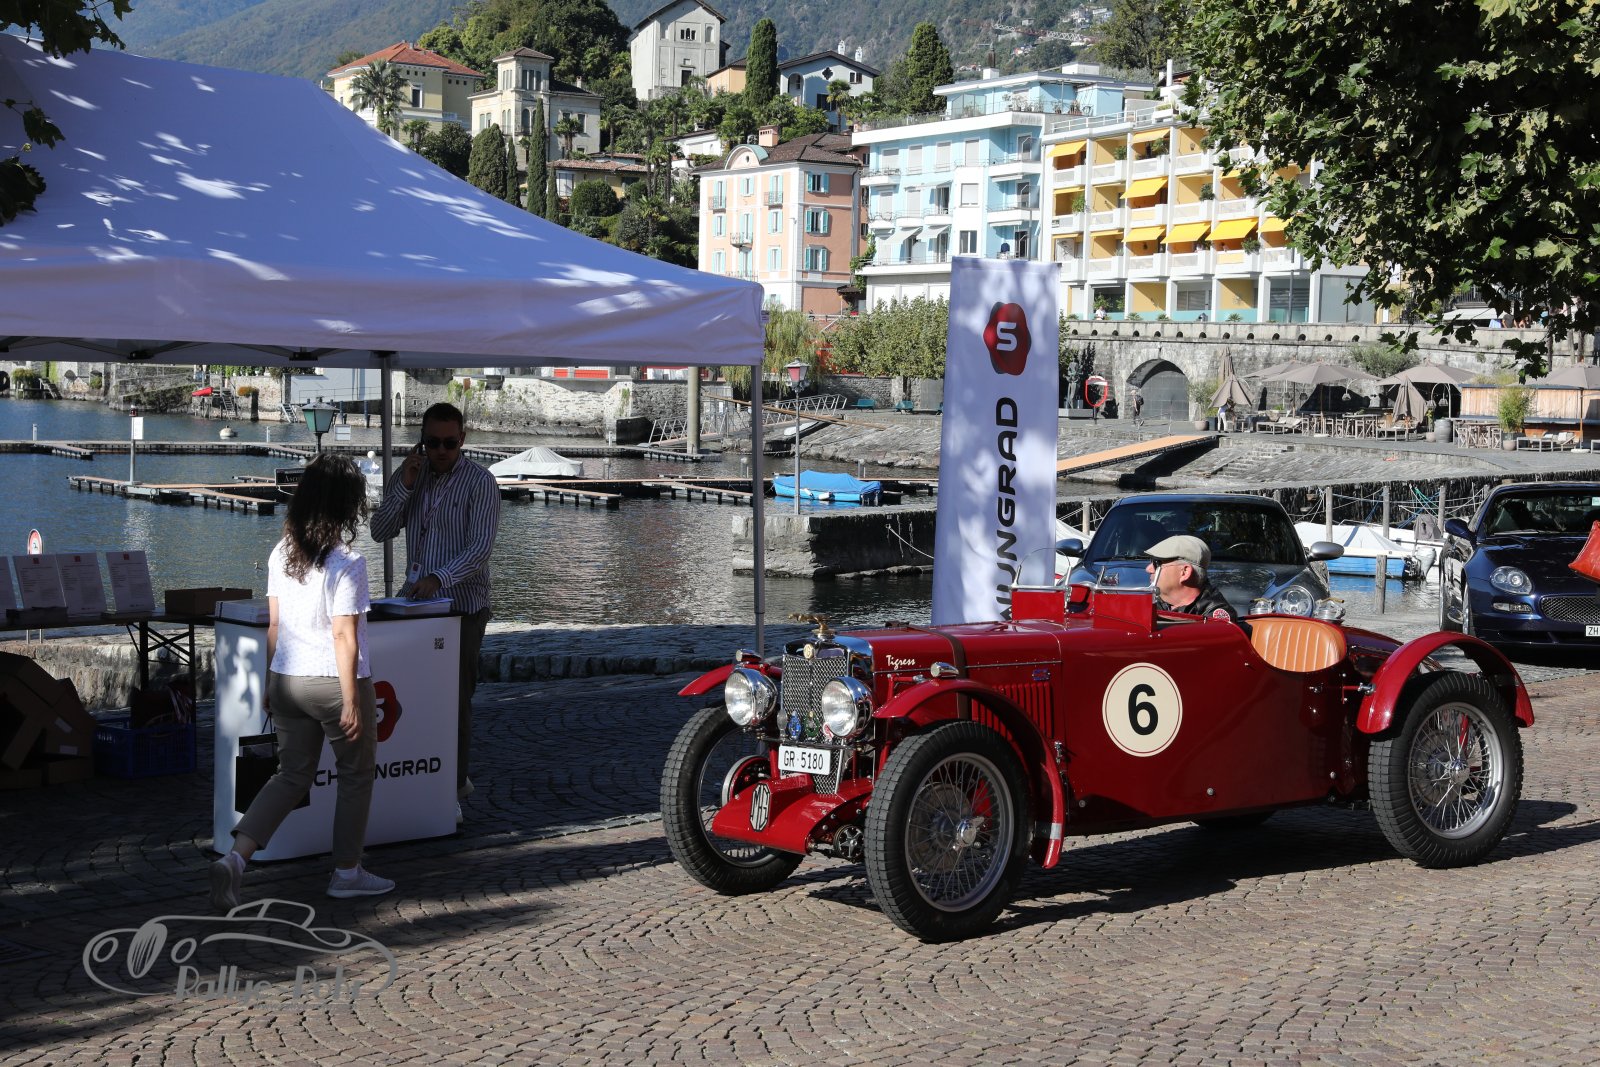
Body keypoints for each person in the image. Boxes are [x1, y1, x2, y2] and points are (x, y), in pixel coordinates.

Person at [210, 453, 393, 910]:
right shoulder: (347, 561)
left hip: (287, 678)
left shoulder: (281, 554)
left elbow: (274, 625)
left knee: (291, 775)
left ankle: (236, 858)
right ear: (347, 504)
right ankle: (347, 872)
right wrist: (351, 700)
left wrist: (268, 681)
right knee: (355, 776)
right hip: (332, 681)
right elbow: (344, 634)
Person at [370, 402, 501, 820]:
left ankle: (452, 789)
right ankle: (415, 778)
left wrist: (438, 578)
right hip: (415, 609)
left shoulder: (481, 482)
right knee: (409, 697)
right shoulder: (413, 473)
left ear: (462, 439)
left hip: (462, 609)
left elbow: (479, 550)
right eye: (432, 443)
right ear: (421, 441)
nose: (441, 451)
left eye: (449, 443)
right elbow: (379, 531)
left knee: (454, 701)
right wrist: (405, 486)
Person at [1143, 534, 1240, 624]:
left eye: (1157, 563)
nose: (1148, 569)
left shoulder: (1215, 618)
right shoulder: (1150, 602)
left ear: (1185, 572)